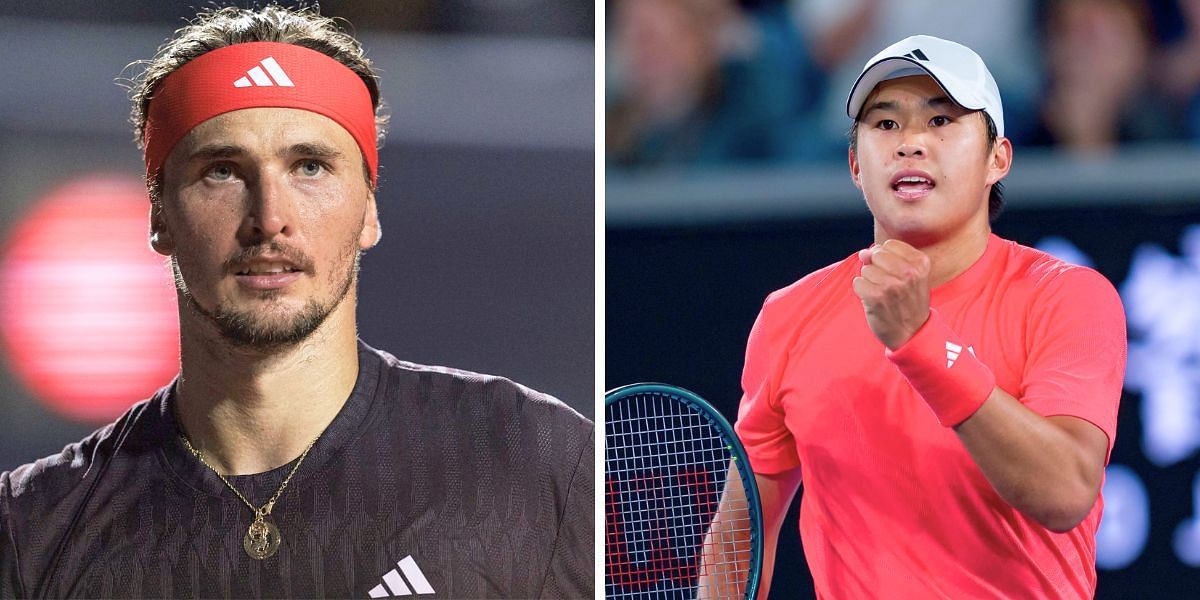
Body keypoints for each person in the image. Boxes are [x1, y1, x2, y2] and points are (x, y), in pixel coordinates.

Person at [0, 6, 592, 598]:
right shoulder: (32, 532)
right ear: (159, 215)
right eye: (223, 171)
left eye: (309, 167)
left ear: (368, 210)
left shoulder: (531, 461)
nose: (270, 220)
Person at [707, 35, 1126, 597]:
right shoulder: (791, 315)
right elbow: (739, 537)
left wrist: (921, 342)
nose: (910, 143)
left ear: (996, 159)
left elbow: (1067, 491)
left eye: (941, 120)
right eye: (885, 125)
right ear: (856, 166)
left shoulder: (1068, 297)